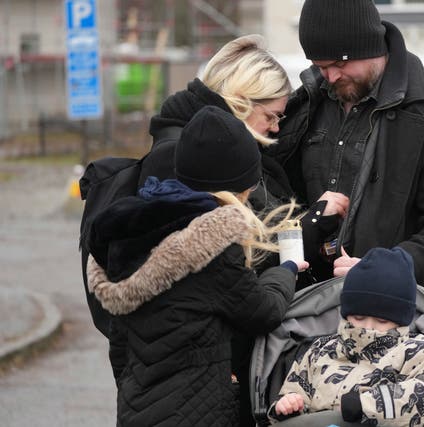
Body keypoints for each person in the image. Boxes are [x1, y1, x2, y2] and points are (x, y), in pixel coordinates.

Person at [85, 106, 308, 426]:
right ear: (237, 185)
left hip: (136, 410)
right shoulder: (211, 247)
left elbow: (118, 347)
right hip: (197, 414)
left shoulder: (130, 233)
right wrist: (285, 270)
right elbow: (262, 311)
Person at [267, 0, 424, 300]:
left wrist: (383, 269)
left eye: (340, 64)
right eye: (320, 66)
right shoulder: (306, 105)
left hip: (404, 312)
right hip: (312, 309)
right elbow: (277, 198)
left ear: (371, 47)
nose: (330, 77)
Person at [268, 246, 424, 426]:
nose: (368, 328)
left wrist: (364, 405)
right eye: (359, 318)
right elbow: (296, 391)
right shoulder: (320, 349)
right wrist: (288, 405)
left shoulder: (420, 352)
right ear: (346, 314)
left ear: (401, 320)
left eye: (382, 321)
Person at [142, 33, 294, 211]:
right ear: (242, 101)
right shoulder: (179, 156)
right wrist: (309, 226)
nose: (275, 127)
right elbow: (220, 232)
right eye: (270, 117)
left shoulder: (224, 146)